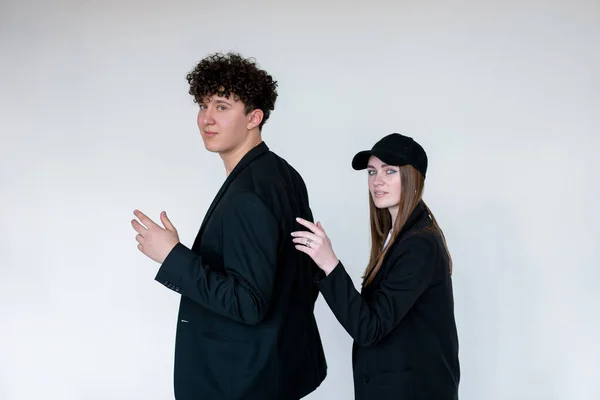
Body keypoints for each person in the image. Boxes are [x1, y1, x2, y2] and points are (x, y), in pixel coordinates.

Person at [131, 52, 327, 400]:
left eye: (222, 106)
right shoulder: (283, 174)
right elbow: (296, 275)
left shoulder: (249, 194)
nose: (207, 118)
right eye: (203, 105)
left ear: (254, 117)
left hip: (243, 381)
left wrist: (172, 256)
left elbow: (249, 302)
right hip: (275, 370)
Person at [291, 133, 460, 399]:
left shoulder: (420, 245)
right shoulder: (398, 236)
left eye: (389, 171)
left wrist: (330, 263)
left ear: (413, 178)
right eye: (372, 172)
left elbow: (369, 328)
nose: (377, 181)